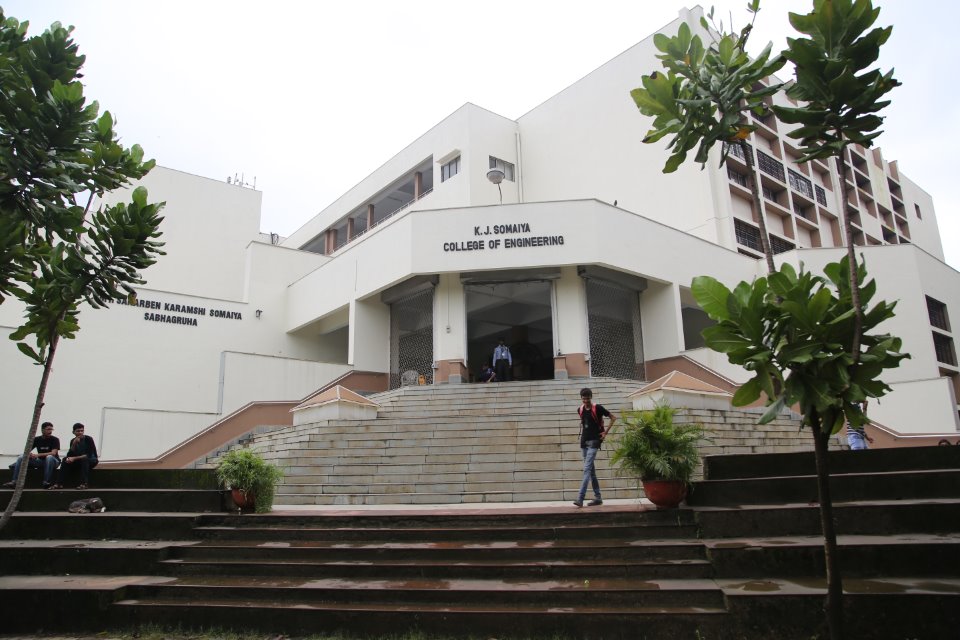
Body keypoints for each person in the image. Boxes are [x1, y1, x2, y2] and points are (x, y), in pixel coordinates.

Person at [573, 387, 617, 508]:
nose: (586, 400)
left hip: (594, 441)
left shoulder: (597, 408)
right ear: (581, 398)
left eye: (587, 398)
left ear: (591, 397)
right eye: (584, 398)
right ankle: (598, 497)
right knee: (591, 471)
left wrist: (605, 432)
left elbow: (613, 417)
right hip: (584, 442)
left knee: (586, 469)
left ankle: (580, 498)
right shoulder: (580, 409)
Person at [3, 421, 60, 489]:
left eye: (51, 429)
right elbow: (27, 451)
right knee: (21, 457)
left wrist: (37, 455)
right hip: (41, 462)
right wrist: (29, 454)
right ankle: (14, 481)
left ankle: (46, 482)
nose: (50, 431)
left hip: (54, 462)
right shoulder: (37, 439)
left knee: (49, 457)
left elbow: (53, 453)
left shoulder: (55, 439)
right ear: (42, 430)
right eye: (48, 429)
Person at [50, 423, 98, 490]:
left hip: (91, 460)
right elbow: (70, 455)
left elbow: (88, 455)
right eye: (78, 431)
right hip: (79, 461)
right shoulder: (73, 440)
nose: (80, 432)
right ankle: (59, 483)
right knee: (65, 459)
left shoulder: (88, 439)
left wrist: (74, 458)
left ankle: (84, 484)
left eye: (82, 431)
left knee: (85, 459)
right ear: (73, 432)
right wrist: (74, 444)